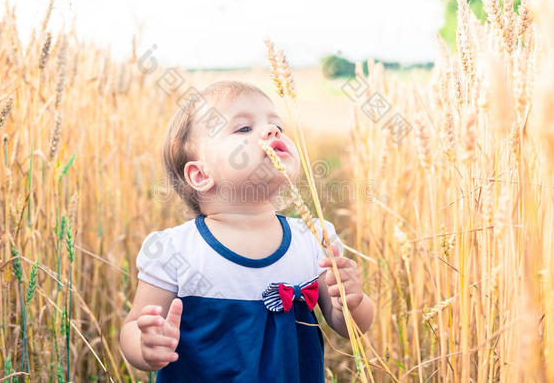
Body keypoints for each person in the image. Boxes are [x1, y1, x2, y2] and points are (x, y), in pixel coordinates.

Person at [119, 80, 374, 382]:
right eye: (243, 129)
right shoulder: (176, 250)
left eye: (277, 125)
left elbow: (349, 328)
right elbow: (133, 326)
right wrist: (146, 345)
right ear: (201, 175)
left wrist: (352, 302)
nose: (272, 132)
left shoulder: (312, 239)